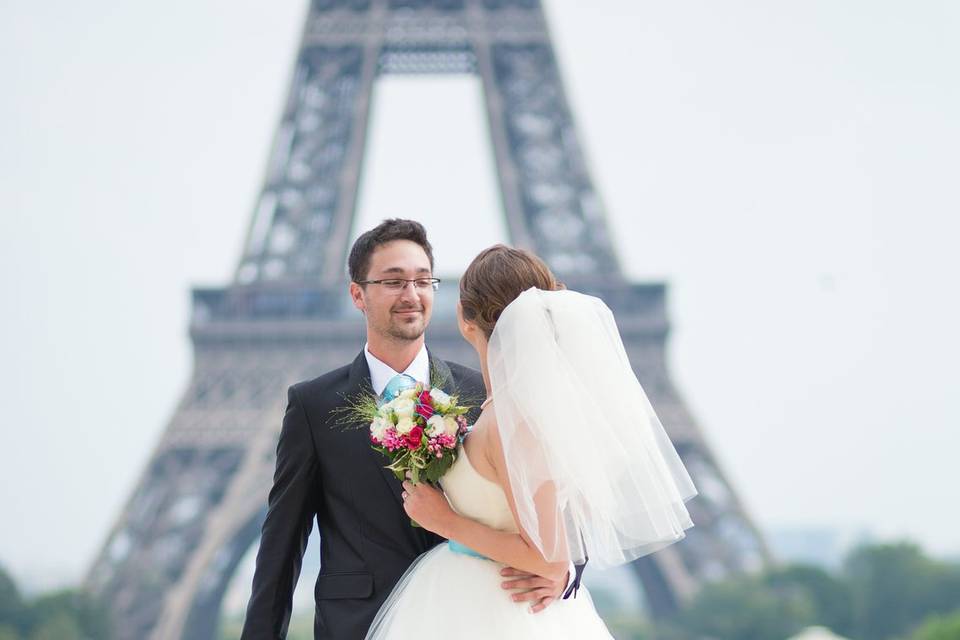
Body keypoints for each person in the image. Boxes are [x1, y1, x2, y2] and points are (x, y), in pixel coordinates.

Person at [241, 221, 572, 640]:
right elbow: (282, 543)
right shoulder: (314, 405)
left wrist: (564, 573)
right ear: (357, 294)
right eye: (394, 281)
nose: (411, 295)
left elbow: (552, 499)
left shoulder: (483, 395)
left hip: (475, 619)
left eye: (422, 280)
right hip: (359, 625)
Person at [365, 244, 698, 639]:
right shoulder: (506, 411)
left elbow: (548, 557)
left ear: (463, 317)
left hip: (496, 608)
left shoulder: (514, 421)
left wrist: (446, 521)